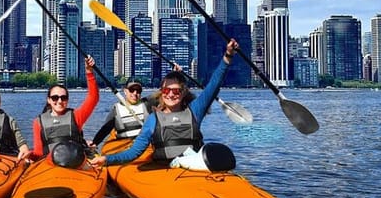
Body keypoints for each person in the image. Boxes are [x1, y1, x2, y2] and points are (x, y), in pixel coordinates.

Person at [89, 39, 239, 168]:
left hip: (195, 168)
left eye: (176, 91)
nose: (171, 94)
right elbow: (134, 153)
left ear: (183, 92)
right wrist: (107, 159)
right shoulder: (153, 120)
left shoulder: (195, 111)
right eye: (167, 91)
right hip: (164, 170)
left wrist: (228, 56)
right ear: (162, 92)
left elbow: (213, 85)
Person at [31, 56, 99, 160]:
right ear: (49, 100)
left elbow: (93, 98)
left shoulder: (76, 116)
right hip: (49, 165)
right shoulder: (38, 122)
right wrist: (28, 155)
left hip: (75, 163)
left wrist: (89, 71)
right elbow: (38, 152)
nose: (59, 101)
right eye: (55, 98)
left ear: (67, 99)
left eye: (63, 97)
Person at [89, 77, 153, 147]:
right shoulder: (116, 109)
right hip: (124, 147)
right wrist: (95, 142)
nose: (135, 93)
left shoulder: (147, 103)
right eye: (131, 90)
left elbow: (161, 94)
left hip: (144, 147)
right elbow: (105, 129)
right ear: (125, 91)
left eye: (138, 90)